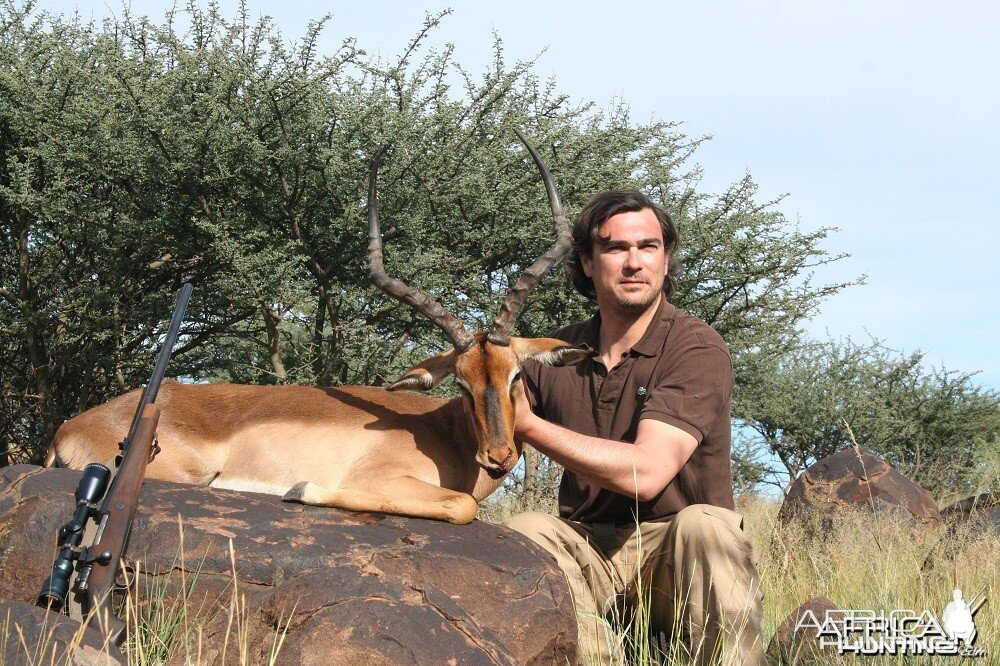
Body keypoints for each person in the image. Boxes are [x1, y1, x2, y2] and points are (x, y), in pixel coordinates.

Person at [504, 189, 765, 665]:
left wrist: (527, 425)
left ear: (666, 260)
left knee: (706, 526)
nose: (634, 262)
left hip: (675, 556)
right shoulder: (553, 351)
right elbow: (489, 443)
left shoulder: (696, 347)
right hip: (589, 552)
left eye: (648, 247)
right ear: (587, 261)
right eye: (616, 248)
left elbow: (645, 475)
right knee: (526, 528)